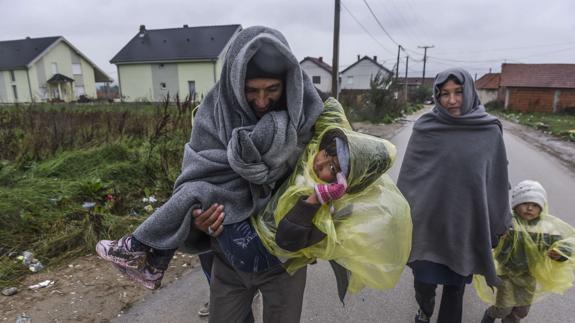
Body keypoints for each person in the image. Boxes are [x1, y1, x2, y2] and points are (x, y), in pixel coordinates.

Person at [96, 25, 326, 323]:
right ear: (234, 82)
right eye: (251, 91)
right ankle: (149, 252)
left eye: (272, 90)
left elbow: (340, 172)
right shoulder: (215, 112)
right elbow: (197, 174)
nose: (260, 101)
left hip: (286, 256)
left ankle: (146, 251)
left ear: (288, 82)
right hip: (228, 254)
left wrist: (315, 218)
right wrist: (199, 223)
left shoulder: (311, 110)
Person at [252, 101, 412, 302]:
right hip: (244, 236)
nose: (320, 163)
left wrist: (316, 199)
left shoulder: (337, 210)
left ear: (348, 181)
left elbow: (286, 240)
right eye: (327, 154)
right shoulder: (316, 149)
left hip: (275, 263)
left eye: (334, 169)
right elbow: (329, 105)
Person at [397, 67, 511, 323]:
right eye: (445, 93)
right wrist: (398, 217)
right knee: (424, 281)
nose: (451, 100)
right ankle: (424, 310)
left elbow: (497, 181)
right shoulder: (425, 128)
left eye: (458, 92)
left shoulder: (489, 131)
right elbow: (409, 178)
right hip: (427, 226)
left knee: (455, 288)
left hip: (464, 228)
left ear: (469, 91)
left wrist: (500, 221)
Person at [478, 180, 575, 323]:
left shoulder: (546, 229)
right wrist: (499, 236)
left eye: (535, 205)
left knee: (520, 311)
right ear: (515, 205)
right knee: (503, 307)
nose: (530, 208)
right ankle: (490, 314)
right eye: (525, 203)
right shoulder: (508, 223)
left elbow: (567, 240)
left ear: (541, 208)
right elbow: (489, 236)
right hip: (507, 275)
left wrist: (560, 253)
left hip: (529, 277)